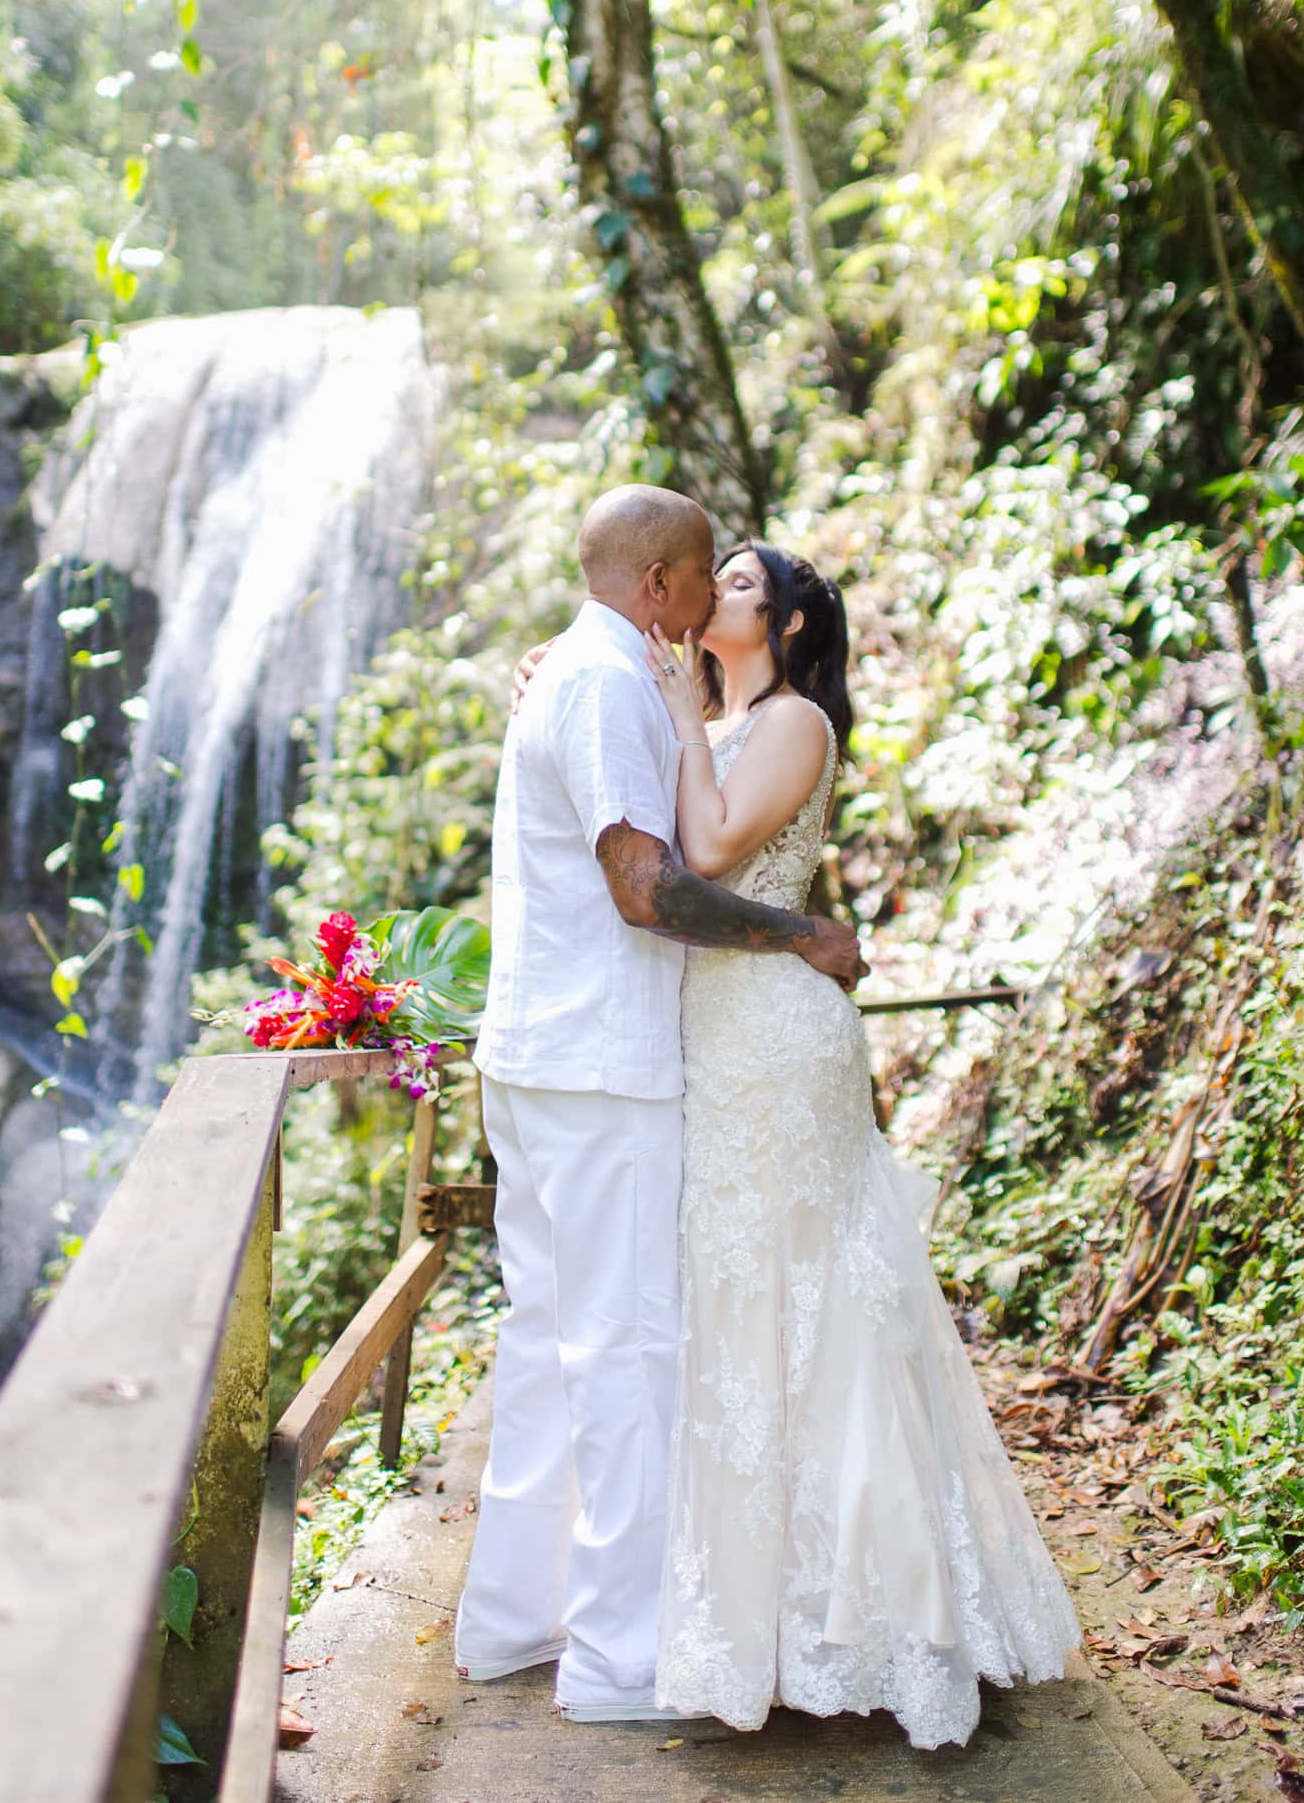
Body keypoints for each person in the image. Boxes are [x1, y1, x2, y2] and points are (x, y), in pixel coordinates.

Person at [643, 541, 1081, 1747]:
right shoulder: (716, 716)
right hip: (713, 1031)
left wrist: (684, 711)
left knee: (818, 1299)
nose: (711, 594)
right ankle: (767, 1626)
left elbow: (716, 849)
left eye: (739, 585)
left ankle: (888, 1617)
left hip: (779, 1038)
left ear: (786, 628)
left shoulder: (790, 724)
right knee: (739, 1308)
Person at [453, 488, 865, 1724]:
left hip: (539, 1059)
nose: (698, 610)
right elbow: (647, 886)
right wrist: (799, 932)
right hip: (598, 1065)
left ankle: (513, 1621)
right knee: (624, 1351)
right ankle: (619, 1660)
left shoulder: (583, 677)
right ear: (657, 587)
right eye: (698, 582)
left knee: (544, 1344)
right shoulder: (605, 687)